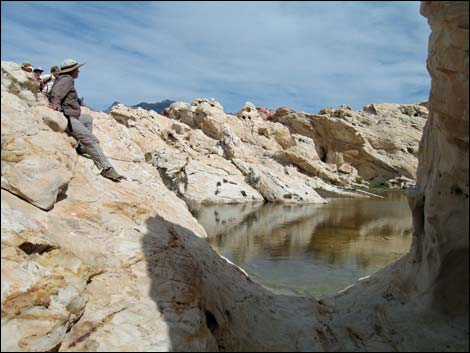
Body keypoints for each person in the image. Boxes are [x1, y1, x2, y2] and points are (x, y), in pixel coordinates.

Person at [49, 59, 124, 182]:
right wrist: (55, 105)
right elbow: (57, 93)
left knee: (88, 119)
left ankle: (81, 147)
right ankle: (106, 169)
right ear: (72, 70)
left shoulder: (65, 79)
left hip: (72, 114)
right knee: (91, 140)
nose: (78, 71)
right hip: (67, 116)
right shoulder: (67, 79)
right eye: (77, 69)